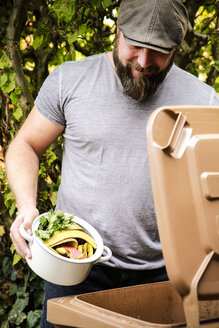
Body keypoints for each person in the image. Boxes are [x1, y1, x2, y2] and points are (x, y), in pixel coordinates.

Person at [6, 0, 219, 327]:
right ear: (118, 31)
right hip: (74, 266)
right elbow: (26, 146)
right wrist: (26, 207)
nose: (144, 62)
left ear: (176, 48)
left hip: (166, 275)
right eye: (135, 46)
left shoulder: (204, 101)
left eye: (159, 51)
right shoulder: (70, 80)